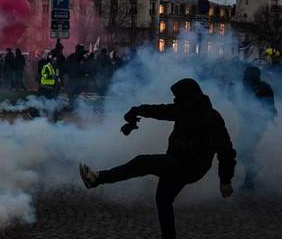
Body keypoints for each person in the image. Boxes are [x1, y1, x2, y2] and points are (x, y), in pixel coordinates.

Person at [79, 78, 236, 239]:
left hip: (192, 166)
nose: (175, 100)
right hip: (175, 161)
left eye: (178, 97)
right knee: (163, 199)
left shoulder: (210, 117)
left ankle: (98, 178)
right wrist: (137, 110)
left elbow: (226, 151)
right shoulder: (184, 108)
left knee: (143, 163)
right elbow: (160, 111)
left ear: (188, 96)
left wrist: (225, 180)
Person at [239, 66, 276, 190]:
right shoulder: (249, 87)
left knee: (245, 151)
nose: (244, 77)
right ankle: (251, 175)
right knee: (243, 152)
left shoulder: (264, 88)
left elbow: (270, 108)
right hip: (248, 124)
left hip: (256, 126)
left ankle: (250, 179)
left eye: (247, 75)